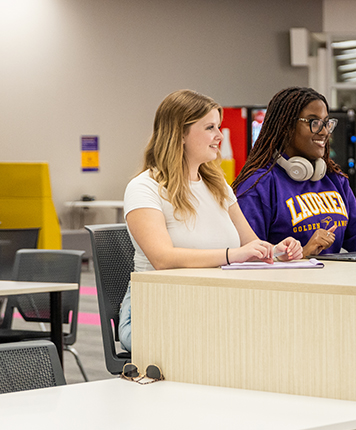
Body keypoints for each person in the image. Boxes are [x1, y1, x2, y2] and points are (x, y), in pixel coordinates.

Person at [120, 89, 303, 352]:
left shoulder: (217, 186)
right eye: (209, 127)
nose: (219, 136)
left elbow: (251, 246)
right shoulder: (144, 187)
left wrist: (277, 251)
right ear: (179, 133)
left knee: (276, 335)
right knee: (231, 343)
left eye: (219, 126)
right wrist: (233, 255)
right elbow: (163, 258)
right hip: (155, 308)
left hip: (212, 304)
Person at [233, 86, 356, 257]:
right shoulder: (257, 185)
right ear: (286, 127)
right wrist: (303, 252)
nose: (325, 131)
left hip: (333, 291)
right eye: (314, 122)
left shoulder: (334, 180)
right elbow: (248, 259)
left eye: (326, 123)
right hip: (287, 295)